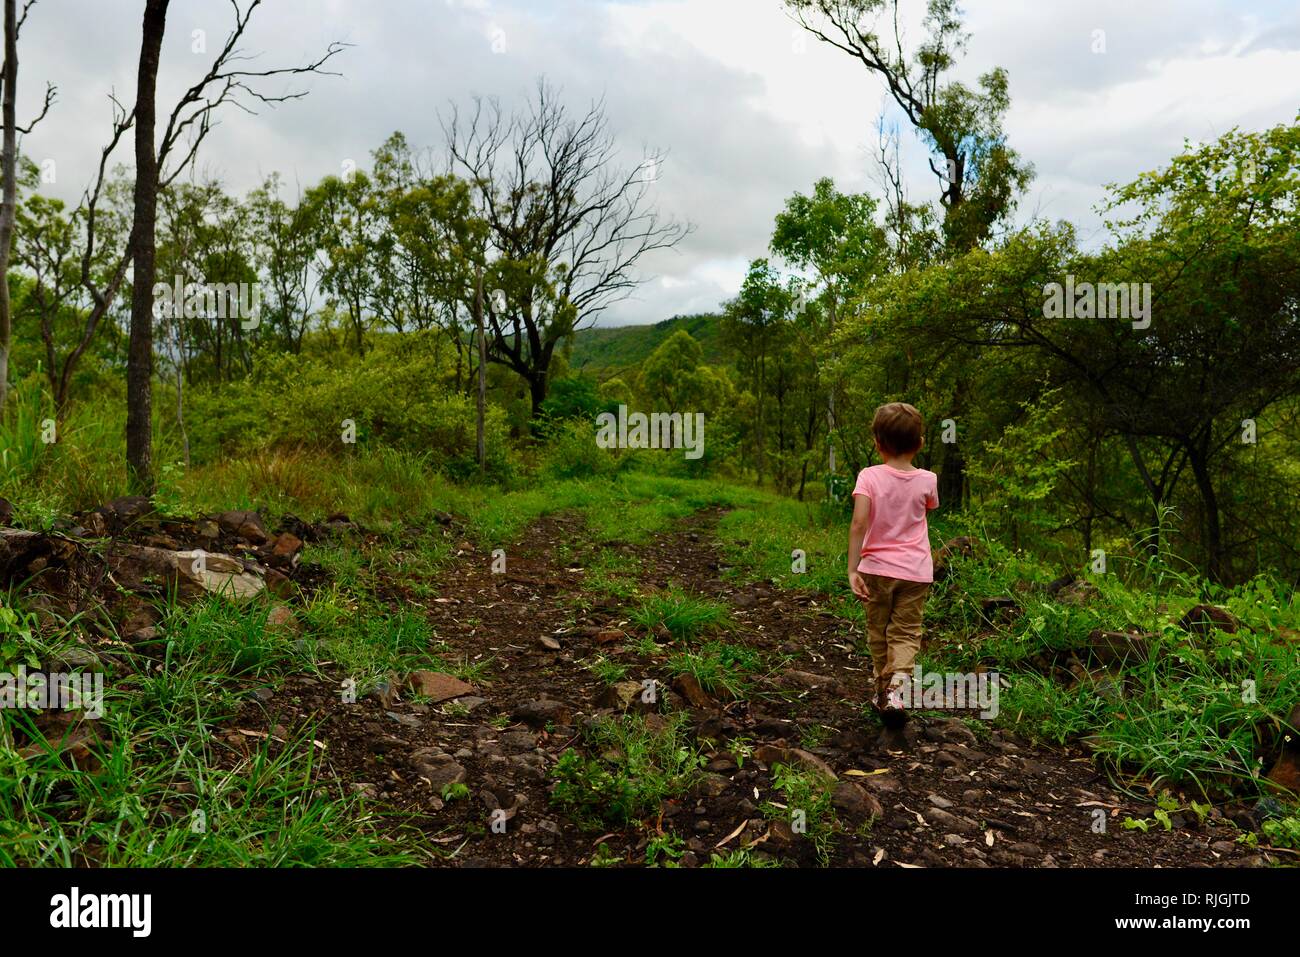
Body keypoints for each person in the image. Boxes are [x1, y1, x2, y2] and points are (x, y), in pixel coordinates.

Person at [847, 402, 939, 728]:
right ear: (920, 444)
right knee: (906, 631)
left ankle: (880, 690)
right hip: (915, 571)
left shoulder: (869, 476)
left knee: (878, 630)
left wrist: (852, 568)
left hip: (875, 568)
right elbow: (928, 508)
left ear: (877, 443)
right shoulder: (928, 479)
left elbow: (859, 523)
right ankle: (896, 689)